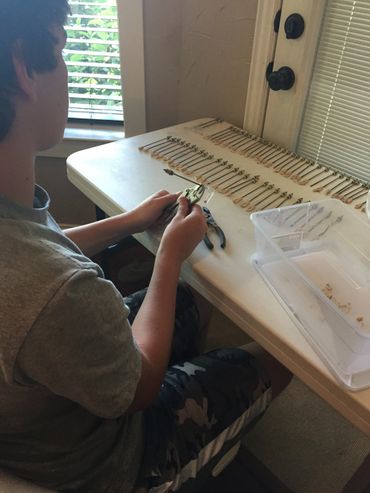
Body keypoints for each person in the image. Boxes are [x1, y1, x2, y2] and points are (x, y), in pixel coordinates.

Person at [0, 1, 292, 492]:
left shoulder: (16, 226)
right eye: (62, 51)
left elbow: (43, 250)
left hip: (37, 415)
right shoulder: (56, 290)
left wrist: (126, 222)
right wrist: (169, 256)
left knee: (191, 302)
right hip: (104, 462)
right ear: (23, 69)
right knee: (280, 358)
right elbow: (138, 388)